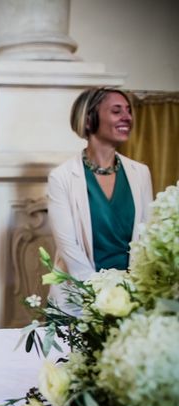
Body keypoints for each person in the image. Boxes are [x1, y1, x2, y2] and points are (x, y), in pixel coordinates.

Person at [48, 87, 153, 307]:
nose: (127, 117)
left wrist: (130, 293)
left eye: (128, 111)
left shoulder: (140, 173)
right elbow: (69, 247)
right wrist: (101, 297)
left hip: (133, 297)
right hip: (80, 297)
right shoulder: (62, 177)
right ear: (89, 120)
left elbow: (146, 236)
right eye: (116, 111)